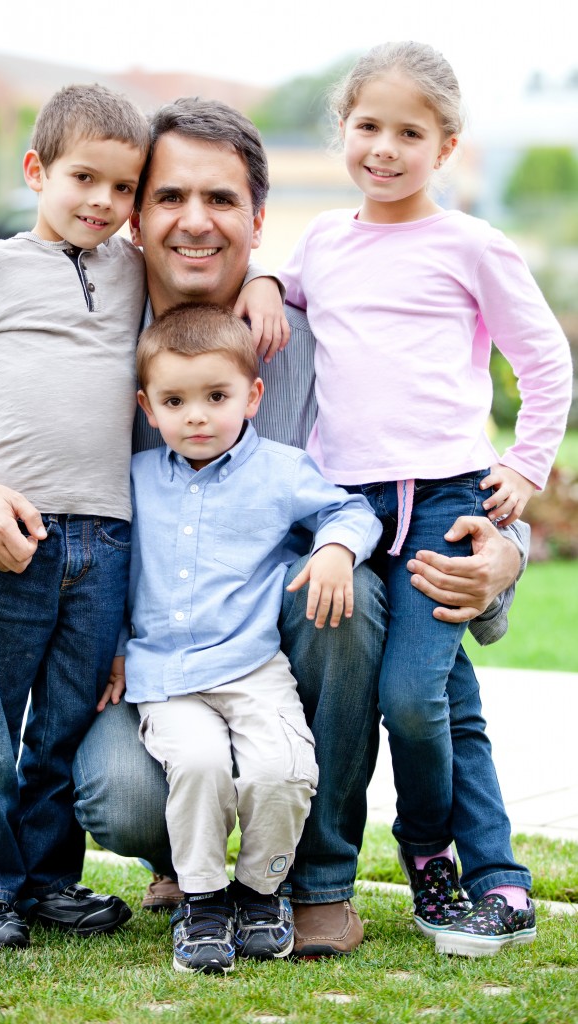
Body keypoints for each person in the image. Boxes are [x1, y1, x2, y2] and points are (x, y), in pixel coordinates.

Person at [0, 97, 533, 959]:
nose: (194, 221)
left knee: (345, 584)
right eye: (169, 197)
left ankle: (318, 878)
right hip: (155, 663)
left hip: (286, 654)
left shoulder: (320, 345)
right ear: (135, 216)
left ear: (257, 219)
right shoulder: (99, 337)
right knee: (120, 792)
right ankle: (184, 863)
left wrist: (502, 561)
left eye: (221, 200)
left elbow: (438, 468)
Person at [0, 84, 282, 951]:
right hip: (14, 536)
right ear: (36, 171)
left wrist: (272, 280)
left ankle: (45, 881)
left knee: (61, 729)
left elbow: (218, 267)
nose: (102, 202)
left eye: (122, 188)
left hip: (109, 541)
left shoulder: (134, 268)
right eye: (82, 179)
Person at [278, 41, 573, 956]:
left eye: (411, 132)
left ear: (444, 147)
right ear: (342, 131)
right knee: (442, 692)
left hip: (446, 496)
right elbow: (284, 298)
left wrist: (525, 467)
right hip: (346, 502)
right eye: (368, 126)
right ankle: (491, 879)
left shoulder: (471, 245)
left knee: (413, 696)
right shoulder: (323, 240)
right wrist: (256, 280)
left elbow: (543, 360)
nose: (385, 147)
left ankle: (424, 848)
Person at [114, 302, 381, 973]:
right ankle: (201, 902)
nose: (196, 416)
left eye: (216, 396)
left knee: (282, 771)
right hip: (167, 677)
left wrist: (336, 551)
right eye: (175, 401)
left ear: (252, 395)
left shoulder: (283, 471)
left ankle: (260, 894)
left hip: (254, 668)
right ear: (148, 408)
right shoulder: (136, 480)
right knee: (199, 767)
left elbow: (350, 509)